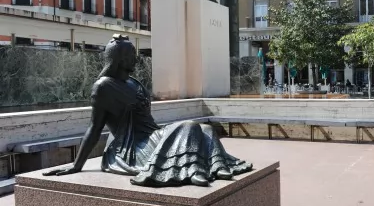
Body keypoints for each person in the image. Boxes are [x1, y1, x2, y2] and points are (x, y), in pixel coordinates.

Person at [43, 35, 252, 187]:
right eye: (132, 55)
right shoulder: (103, 87)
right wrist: (76, 165)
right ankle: (193, 170)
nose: (136, 58)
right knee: (189, 126)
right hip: (133, 147)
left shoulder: (135, 83)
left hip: (153, 135)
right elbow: (94, 128)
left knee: (205, 130)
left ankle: (216, 166)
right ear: (120, 59)